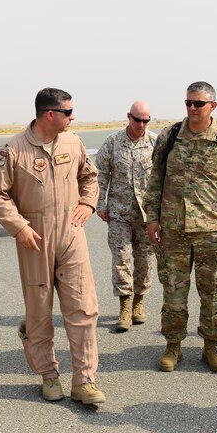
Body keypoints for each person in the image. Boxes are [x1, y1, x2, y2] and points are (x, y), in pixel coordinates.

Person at [0, 87, 105, 405]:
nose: (73, 117)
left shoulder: (73, 142)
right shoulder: (13, 150)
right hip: (35, 239)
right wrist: (19, 226)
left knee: (83, 307)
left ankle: (84, 380)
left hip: (71, 235)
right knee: (38, 310)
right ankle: (48, 375)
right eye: (68, 112)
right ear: (50, 114)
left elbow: (90, 177)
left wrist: (87, 203)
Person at [143, 82, 217, 373]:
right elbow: (155, 180)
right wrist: (152, 218)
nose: (192, 108)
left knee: (212, 293)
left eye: (198, 103)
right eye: (188, 102)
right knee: (173, 293)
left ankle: (211, 347)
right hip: (173, 230)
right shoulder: (170, 136)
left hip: (211, 232)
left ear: (213, 106)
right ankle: (173, 346)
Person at [95, 100, 157, 332]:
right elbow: (101, 175)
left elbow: (164, 177)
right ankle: (125, 306)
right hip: (119, 213)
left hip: (147, 215)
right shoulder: (113, 142)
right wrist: (100, 204)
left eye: (146, 120)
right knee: (121, 259)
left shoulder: (155, 142)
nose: (141, 125)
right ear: (129, 117)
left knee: (145, 260)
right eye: (137, 120)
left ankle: (139, 303)